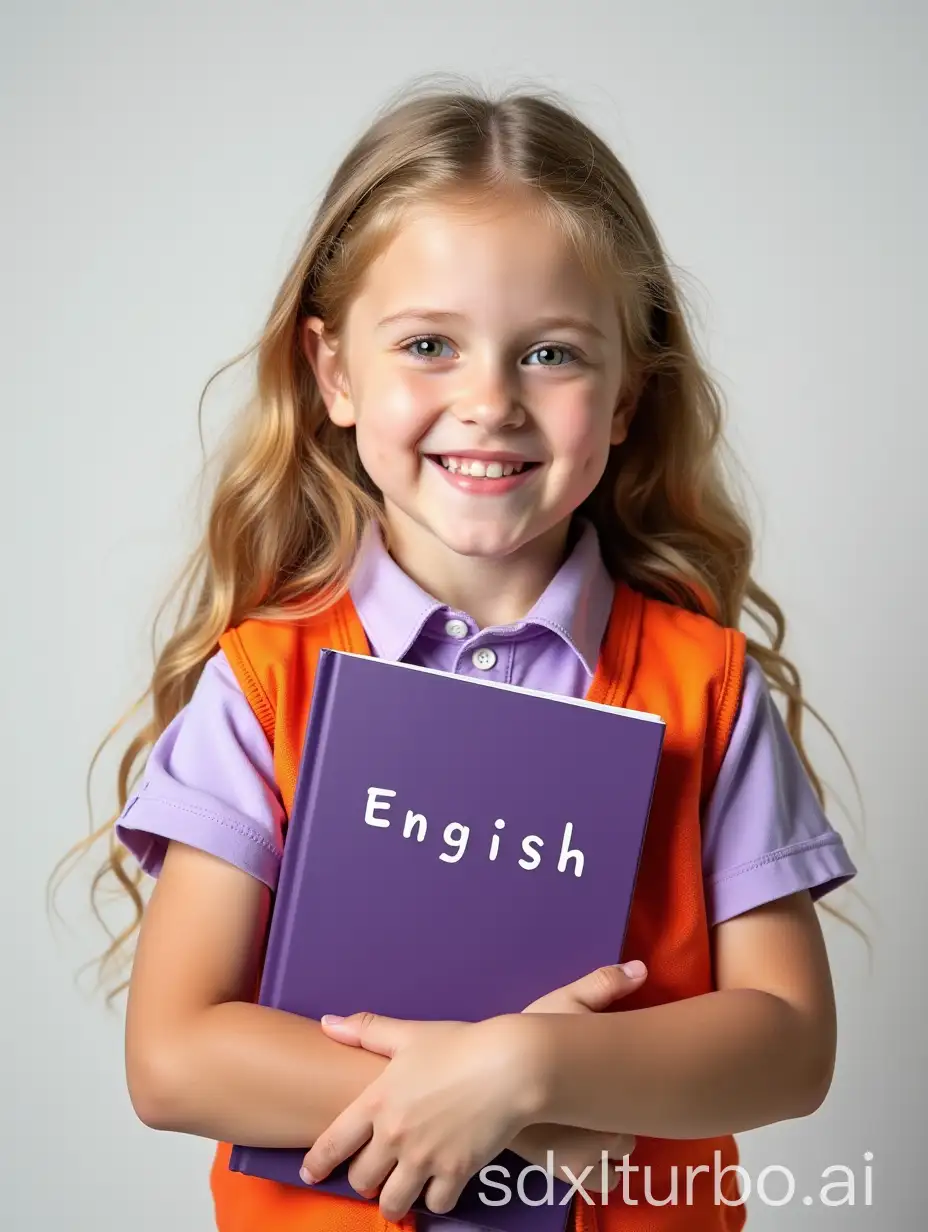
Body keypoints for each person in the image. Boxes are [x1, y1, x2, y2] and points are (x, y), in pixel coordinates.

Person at [57, 83, 859, 1232]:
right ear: (333, 374)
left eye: (550, 353)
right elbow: (175, 1057)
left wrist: (528, 1067)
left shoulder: (709, 688)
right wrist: (491, 1100)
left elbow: (787, 1045)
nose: (489, 401)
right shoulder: (263, 685)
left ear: (628, 392)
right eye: (429, 344)